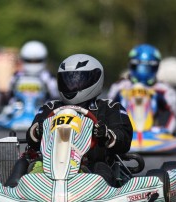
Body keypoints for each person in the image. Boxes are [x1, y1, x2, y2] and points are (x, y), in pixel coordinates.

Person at [26, 54, 133, 186]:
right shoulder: (51, 107)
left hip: (93, 168)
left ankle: (96, 191)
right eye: (68, 80)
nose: (72, 85)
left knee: (102, 169)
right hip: (50, 167)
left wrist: (106, 134)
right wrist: (38, 130)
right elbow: (32, 139)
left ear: (95, 79)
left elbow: (124, 140)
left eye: (78, 80)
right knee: (27, 164)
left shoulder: (109, 108)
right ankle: (14, 187)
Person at [108, 44, 176, 133]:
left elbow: (173, 113)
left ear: (155, 67)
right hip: (123, 129)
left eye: (147, 68)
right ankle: (119, 132)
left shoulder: (164, 89)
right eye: (139, 67)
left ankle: (163, 133)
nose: (143, 72)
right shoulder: (120, 86)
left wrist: (156, 96)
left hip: (155, 131)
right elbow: (108, 108)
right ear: (132, 66)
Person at [2, 40, 59, 106]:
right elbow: (9, 96)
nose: (33, 63)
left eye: (36, 61)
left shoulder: (48, 78)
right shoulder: (17, 76)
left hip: (41, 111)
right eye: (30, 61)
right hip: (18, 110)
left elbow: (55, 97)